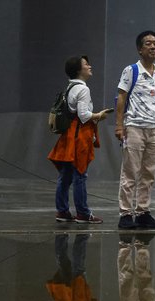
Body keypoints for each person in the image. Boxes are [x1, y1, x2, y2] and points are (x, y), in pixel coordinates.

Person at [115, 31, 155, 230]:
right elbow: (121, 97)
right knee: (130, 172)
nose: (153, 47)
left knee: (149, 173)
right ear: (140, 49)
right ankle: (126, 213)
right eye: (148, 43)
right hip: (135, 128)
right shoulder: (131, 71)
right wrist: (119, 125)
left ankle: (143, 212)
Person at [48, 55, 110, 224]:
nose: (90, 66)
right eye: (86, 64)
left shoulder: (70, 88)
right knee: (80, 175)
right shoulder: (83, 89)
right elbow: (83, 115)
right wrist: (99, 115)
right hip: (79, 136)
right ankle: (82, 213)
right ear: (78, 70)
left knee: (66, 174)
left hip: (69, 135)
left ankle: (62, 211)